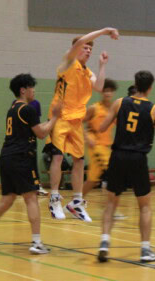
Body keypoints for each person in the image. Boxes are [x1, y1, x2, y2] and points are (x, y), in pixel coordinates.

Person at [0, 73, 61, 254]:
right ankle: (36, 242)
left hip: (6, 158)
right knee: (31, 197)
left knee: (8, 199)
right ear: (23, 90)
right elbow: (42, 133)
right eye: (31, 87)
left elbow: (34, 129)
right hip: (21, 158)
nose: (34, 90)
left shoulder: (13, 109)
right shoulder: (27, 109)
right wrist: (55, 118)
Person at [97, 71, 155, 263]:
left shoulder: (119, 103)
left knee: (111, 203)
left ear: (134, 84)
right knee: (144, 207)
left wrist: (119, 122)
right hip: (138, 158)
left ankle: (104, 243)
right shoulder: (154, 110)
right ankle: (144, 250)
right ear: (150, 87)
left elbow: (101, 128)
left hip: (117, 156)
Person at [46, 27, 119, 222]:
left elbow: (99, 87)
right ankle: (54, 198)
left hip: (76, 119)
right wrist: (104, 31)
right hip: (59, 117)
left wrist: (102, 65)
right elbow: (80, 42)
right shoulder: (67, 62)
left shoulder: (87, 72)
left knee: (79, 161)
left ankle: (76, 202)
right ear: (76, 49)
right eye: (85, 47)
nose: (88, 50)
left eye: (90, 49)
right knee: (58, 157)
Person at [82, 79, 116, 195]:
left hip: (106, 147)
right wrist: (86, 137)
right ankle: (111, 208)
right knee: (113, 173)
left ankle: (74, 203)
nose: (107, 93)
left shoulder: (114, 109)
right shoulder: (94, 108)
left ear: (113, 93)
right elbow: (78, 122)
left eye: (110, 91)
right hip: (95, 145)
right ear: (101, 92)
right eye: (105, 91)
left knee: (92, 180)